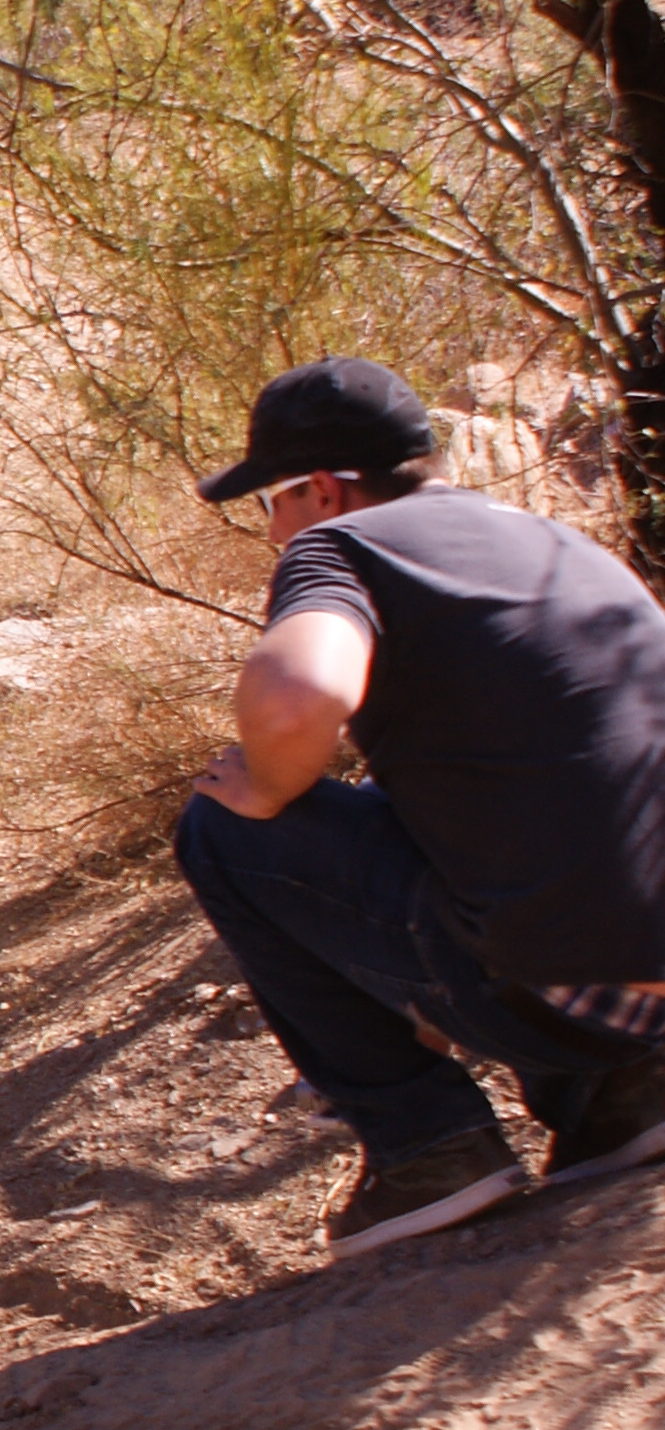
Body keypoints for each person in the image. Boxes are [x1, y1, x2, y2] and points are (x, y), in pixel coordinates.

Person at [175, 358, 665, 1258]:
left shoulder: (341, 547)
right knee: (423, 809)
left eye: (272, 502)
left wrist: (269, 786)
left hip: (565, 992)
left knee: (222, 825)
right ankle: (620, 1093)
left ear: (323, 489)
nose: (274, 530)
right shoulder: (556, 543)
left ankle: (427, 1146)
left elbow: (295, 697)